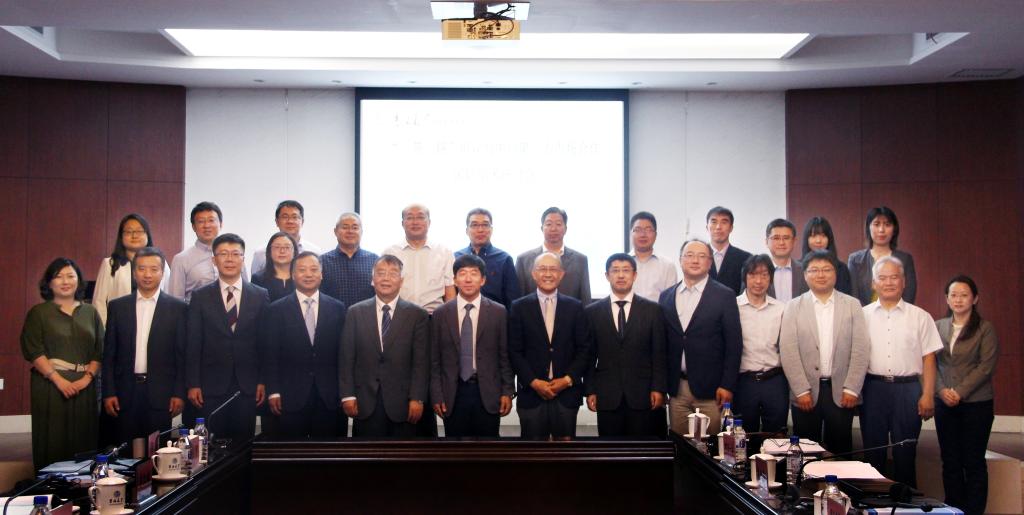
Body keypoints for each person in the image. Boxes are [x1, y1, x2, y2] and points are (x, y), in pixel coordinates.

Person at [860, 256, 940, 487]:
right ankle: (872, 501)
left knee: (906, 453)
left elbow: (929, 358)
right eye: (882, 278)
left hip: (908, 390)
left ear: (903, 282)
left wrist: (927, 394)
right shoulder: (862, 315)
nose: (888, 282)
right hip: (873, 388)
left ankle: (906, 502)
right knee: (873, 453)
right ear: (873, 283)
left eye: (894, 277)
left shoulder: (920, 316)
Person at [780, 250, 869, 454]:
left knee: (841, 450)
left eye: (826, 269)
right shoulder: (793, 306)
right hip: (806, 392)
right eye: (814, 270)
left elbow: (861, 348)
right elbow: (788, 350)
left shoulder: (852, 305)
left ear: (835, 273)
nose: (821, 275)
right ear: (805, 275)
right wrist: (801, 390)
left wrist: (852, 388)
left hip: (841, 391)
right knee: (805, 451)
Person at [186, 233, 270, 444]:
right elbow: (193, 342)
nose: (230, 259)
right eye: (223, 254)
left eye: (235, 254)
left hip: (247, 385)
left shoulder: (260, 295)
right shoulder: (200, 296)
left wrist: (262, 380)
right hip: (210, 385)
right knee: (210, 446)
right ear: (214, 260)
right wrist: (193, 383)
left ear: (243, 259)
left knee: (243, 446)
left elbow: (265, 343)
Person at [20, 258, 103, 471]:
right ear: (49, 283)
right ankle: (50, 486)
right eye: (58, 277)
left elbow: (100, 349)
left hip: (85, 386)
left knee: (84, 442)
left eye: (70, 276)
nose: (65, 281)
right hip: (50, 385)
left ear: (79, 280)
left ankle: (84, 487)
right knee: (53, 441)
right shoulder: (39, 313)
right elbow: (33, 350)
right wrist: (58, 380)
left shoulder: (90, 312)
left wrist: (87, 378)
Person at [101, 247, 187, 444]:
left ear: (162, 273)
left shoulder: (178, 308)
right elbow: (109, 354)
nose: (147, 274)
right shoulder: (117, 306)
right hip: (125, 391)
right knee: (125, 450)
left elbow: (181, 355)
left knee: (157, 450)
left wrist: (179, 393)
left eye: (154, 269)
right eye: (141, 269)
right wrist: (109, 391)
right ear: (134, 272)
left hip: (161, 393)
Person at [340, 255, 430, 437]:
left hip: (404, 403)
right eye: (380, 273)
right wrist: (348, 395)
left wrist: (417, 398)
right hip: (365, 401)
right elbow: (346, 358)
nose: (386, 278)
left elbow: (421, 362)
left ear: (401, 281)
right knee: (367, 453)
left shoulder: (417, 315)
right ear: (372, 280)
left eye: (393, 274)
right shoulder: (355, 312)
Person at [660, 239, 742, 436]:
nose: (695, 260)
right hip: (677, 388)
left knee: (710, 446)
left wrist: (727, 385)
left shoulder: (724, 295)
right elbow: (663, 344)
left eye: (701, 256)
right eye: (689, 255)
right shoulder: (666, 296)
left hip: (712, 390)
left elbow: (734, 344)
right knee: (680, 445)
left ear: (710, 262)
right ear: (680, 260)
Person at [262, 252, 347, 439]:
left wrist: (345, 392)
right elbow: (270, 355)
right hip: (289, 396)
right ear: (293, 275)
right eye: (302, 270)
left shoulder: (338, 308)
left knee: (328, 452)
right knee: (291, 452)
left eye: (314, 269)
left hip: (329, 396)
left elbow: (344, 354)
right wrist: (273, 391)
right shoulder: (276, 309)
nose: (308, 274)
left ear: (321, 275)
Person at [508, 252, 592, 440]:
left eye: (553, 269)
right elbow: (514, 351)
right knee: (533, 452)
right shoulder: (519, 307)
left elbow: (585, 349)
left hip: (566, 394)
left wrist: (567, 380)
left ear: (561, 274)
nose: (548, 274)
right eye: (542, 269)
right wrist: (534, 382)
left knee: (566, 451)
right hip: (531, 394)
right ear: (533, 274)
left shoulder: (575, 307)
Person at [430, 254, 514, 437]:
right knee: (454, 449)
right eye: (462, 273)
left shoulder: (498, 312)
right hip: (453, 393)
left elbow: (504, 356)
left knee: (488, 448)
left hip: (488, 392)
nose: (468, 279)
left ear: (483, 280)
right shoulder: (441, 313)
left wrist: (507, 391)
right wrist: (436, 394)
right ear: (454, 280)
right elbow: (434, 359)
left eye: (474, 273)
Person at [934, 275, 998, 515]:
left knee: (973, 462)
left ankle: (974, 510)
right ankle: (953, 509)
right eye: (953, 295)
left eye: (964, 295)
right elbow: (929, 363)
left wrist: (959, 392)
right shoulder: (938, 326)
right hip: (944, 403)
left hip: (976, 404)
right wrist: (941, 390)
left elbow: (985, 367)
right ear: (947, 299)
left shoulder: (985, 329)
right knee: (950, 461)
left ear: (975, 299)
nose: (958, 299)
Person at [584, 253, 666, 437]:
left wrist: (659, 388)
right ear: (607, 276)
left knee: (642, 449)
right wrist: (590, 390)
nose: (621, 275)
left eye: (626, 270)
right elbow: (588, 356)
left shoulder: (653, 310)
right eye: (615, 270)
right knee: (610, 450)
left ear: (634, 275)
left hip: (643, 393)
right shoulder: (592, 312)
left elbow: (659, 354)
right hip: (607, 394)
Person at [733, 254, 788, 434]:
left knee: (776, 438)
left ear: (770, 279)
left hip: (775, 381)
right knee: (743, 437)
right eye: (753, 275)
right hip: (744, 382)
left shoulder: (781, 308)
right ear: (745, 277)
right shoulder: (733, 307)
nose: (758, 281)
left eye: (764, 275)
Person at [92, 213, 169, 326]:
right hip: (119, 325)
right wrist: (105, 329)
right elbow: (99, 302)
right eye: (128, 232)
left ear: (147, 235)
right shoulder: (110, 264)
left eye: (139, 231)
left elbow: (168, 294)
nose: (134, 236)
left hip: (154, 323)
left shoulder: (161, 263)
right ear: (121, 236)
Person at [382, 204, 455, 315]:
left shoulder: (444, 252)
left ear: (429, 222)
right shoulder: (390, 253)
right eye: (410, 218)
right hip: (399, 316)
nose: (415, 222)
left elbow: (450, 290)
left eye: (420, 217)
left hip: (433, 316)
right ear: (402, 223)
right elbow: (382, 289)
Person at [169, 202, 248, 303]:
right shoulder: (181, 259)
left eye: (211, 220)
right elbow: (175, 300)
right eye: (201, 221)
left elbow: (246, 291)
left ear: (221, 224)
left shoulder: (235, 255)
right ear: (193, 227)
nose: (207, 225)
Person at [515, 207, 592, 304]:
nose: (553, 228)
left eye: (558, 224)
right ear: (542, 228)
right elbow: (518, 300)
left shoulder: (580, 260)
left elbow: (585, 298)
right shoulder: (524, 260)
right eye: (548, 224)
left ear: (565, 229)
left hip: (569, 313)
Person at [848, 206, 917, 306]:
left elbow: (909, 295)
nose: (881, 230)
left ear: (894, 229)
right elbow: (853, 296)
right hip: (863, 314)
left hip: (899, 314)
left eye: (887, 224)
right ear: (868, 227)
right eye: (876, 224)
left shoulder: (905, 259)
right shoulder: (855, 260)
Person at [454, 208, 520, 308]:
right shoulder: (456, 257)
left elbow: (513, 299)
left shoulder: (504, 259)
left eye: (485, 225)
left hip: (496, 315)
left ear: (491, 230)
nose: (480, 230)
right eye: (474, 225)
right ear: (467, 231)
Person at [319, 212, 378, 309]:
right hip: (333, 316)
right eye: (345, 227)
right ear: (335, 231)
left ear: (361, 232)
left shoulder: (374, 260)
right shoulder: (322, 261)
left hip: (366, 317)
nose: (350, 231)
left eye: (355, 227)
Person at [250, 200, 323, 277]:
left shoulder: (315, 252)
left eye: (294, 217)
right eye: (285, 217)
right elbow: (255, 283)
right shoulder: (261, 253)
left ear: (302, 221)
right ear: (277, 222)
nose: (290, 221)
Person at [629, 211, 678, 301]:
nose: (643, 235)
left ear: (655, 235)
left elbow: (670, 300)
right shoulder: (621, 265)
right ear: (631, 234)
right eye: (638, 230)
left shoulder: (668, 266)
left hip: (657, 310)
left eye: (648, 230)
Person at [705, 206, 752, 296]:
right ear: (707, 227)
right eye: (714, 222)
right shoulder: (697, 257)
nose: (718, 227)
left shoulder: (746, 259)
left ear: (731, 228)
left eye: (724, 222)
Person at [800, 216, 852, 295]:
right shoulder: (798, 268)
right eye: (813, 236)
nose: (818, 240)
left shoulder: (841, 268)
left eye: (823, 236)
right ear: (806, 239)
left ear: (829, 239)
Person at [764, 218, 808, 303]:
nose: (781, 243)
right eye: (776, 238)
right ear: (766, 242)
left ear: (794, 241)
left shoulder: (805, 271)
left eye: (786, 238)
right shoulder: (755, 272)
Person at [252, 232, 298, 302]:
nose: (282, 251)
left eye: (287, 247)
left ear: (294, 252)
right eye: (277, 247)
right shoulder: (258, 279)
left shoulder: (302, 277)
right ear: (269, 251)